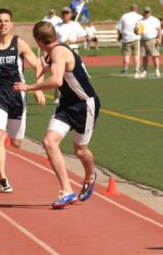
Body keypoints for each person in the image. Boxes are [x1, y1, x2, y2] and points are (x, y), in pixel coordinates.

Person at [13, 22, 100, 209]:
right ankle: (67, 190)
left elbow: (57, 80)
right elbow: (56, 72)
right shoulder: (53, 53)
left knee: (80, 150)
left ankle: (90, 175)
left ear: (38, 40)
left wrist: (28, 87)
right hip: (67, 104)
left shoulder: (58, 52)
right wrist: (47, 68)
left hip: (85, 105)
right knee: (49, 142)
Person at [0, 9, 45, 193]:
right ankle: (3, 179)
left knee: (16, 143)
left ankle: (9, 138)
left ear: (12, 24)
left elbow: (37, 65)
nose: (3, 24)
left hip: (17, 95)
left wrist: (37, 88)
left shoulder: (19, 44)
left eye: (6, 21)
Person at [116, 4, 142, 76]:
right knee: (136, 54)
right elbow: (142, 29)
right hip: (136, 38)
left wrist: (119, 36)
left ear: (130, 9)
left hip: (126, 38)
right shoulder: (140, 17)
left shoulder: (124, 16)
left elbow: (119, 28)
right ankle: (137, 69)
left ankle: (125, 69)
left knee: (126, 55)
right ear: (137, 9)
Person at [137, 7, 162, 78]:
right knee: (144, 56)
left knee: (155, 55)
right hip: (143, 40)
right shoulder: (140, 21)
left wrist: (159, 39)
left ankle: (157, 70)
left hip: (152, 39)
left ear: (150, 12)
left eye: (148, 12)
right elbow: (140, 31)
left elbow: (159, 30)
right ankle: (145, 71)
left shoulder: (154, 20)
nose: (146, 13)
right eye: (145, 12)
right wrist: (136, 32)